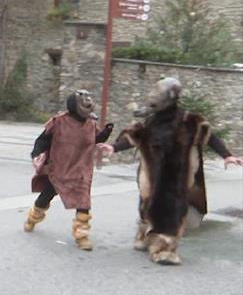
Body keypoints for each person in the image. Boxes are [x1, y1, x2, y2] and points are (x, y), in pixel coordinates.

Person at [99, 78, 243, 265]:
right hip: (150, 175)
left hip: (176, 177)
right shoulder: (151, 121)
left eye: (159, 91)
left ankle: (164, 250)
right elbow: (135, 137)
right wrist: (114, 147)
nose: (153, 94)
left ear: (171, 97)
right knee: (147, 206)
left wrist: (226, 155)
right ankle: (145, 236)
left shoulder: (190, 121)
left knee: (172, 211)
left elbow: (210, 136)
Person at [24, 90, 114, 251]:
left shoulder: (91, 124)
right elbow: (42, 140)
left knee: (83, 202)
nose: (88, 103)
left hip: (81, 170)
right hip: (59, 169)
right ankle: (33, 217)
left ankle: (82, 235)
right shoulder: (59, 122)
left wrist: (106, 132)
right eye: (84, 100)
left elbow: (96, 139)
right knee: (45, 198)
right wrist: (36, 154)